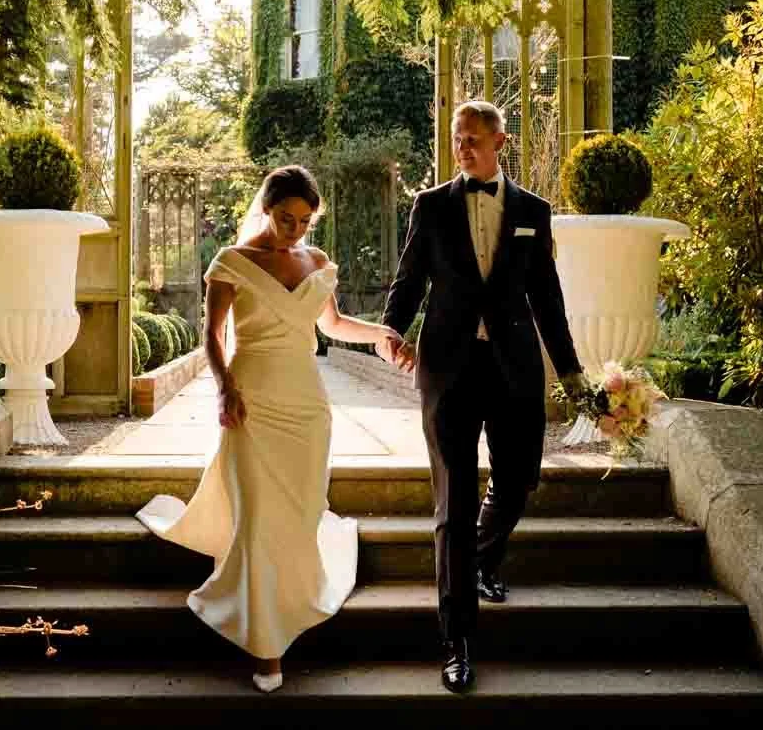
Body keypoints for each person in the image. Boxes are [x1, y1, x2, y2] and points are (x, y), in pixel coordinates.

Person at [136, 164, 406, 691]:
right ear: (266, 208)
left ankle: (288, 601)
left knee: (300, 514)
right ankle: (267, 649)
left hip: (306, 406)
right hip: (252, 398)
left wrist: (381, 333)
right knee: (258, 517)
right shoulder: (233, 262)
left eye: (306, 221)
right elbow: (211, 335)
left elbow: (331, 324)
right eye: (287, 218)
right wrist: (224, 387)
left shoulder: (317, 260)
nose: (296, 229)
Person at [379, 100, 586, 694]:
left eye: (473, 139)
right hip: (447, 369)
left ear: (501, 142)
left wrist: (570, 374)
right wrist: (392, 332)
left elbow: (546, 296)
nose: (463, 148)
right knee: (454, 502)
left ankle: (481, 559)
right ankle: (457, 640)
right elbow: (409, 279)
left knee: (521, 475)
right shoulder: (432, 206)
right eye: (456, 140)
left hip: (514, 368)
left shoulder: (532, 212)